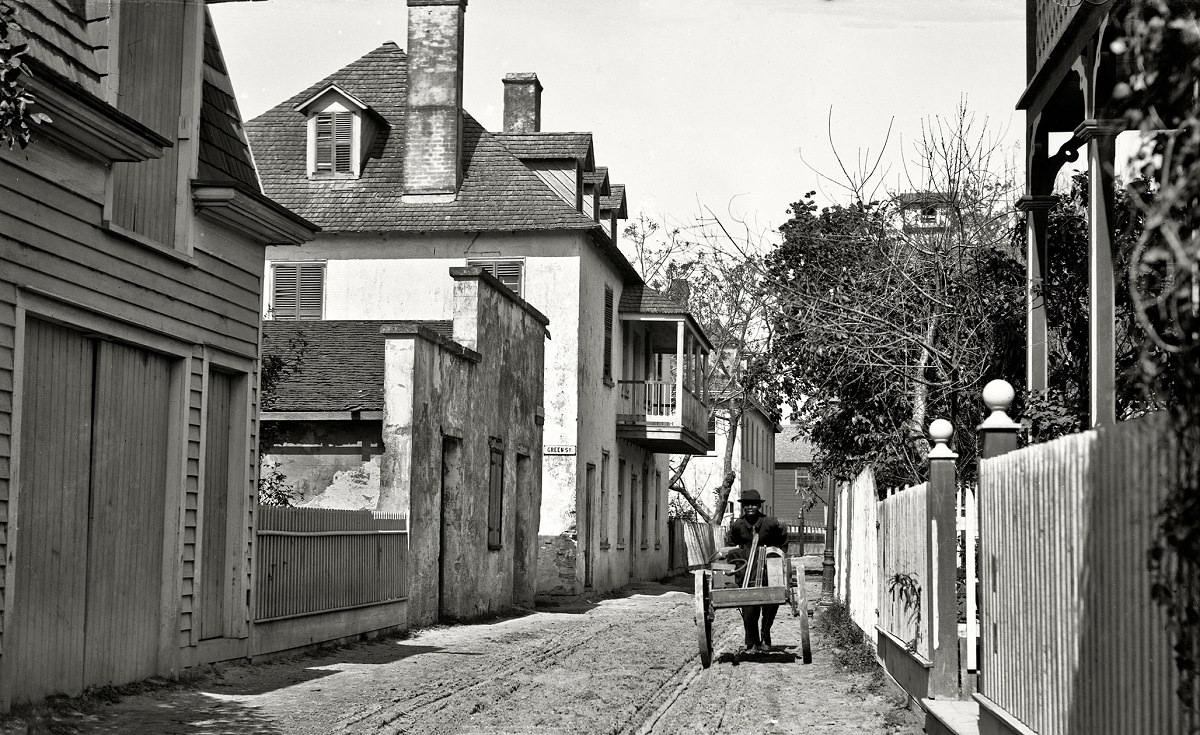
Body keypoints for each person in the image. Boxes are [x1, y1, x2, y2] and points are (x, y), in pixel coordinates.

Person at [726, 489, 788, 653]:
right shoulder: (738, 525)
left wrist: (780, 556)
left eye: (753, 504)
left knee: (772, 603)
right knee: (748, 606)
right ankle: (752, 642)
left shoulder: (770, 523)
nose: (750, 507)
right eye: (747, 505)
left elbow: (782, 537)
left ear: (759, 506)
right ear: (743, 507)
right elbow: (731, 544)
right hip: (746, 571)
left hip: (768, 568)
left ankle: (765, 635)